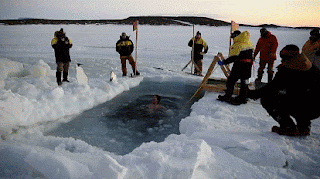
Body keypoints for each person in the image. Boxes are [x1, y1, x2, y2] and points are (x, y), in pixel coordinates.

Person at [249, 45, 320, 136]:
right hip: (315, 108)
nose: (282, 60)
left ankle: (288, 126)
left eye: (283, 57)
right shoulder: (308, 64)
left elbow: (272, 87)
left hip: (306, 106)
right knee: (297, 96)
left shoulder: (288, 69)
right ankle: (304, 127)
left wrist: (252, 94)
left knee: (268, 99)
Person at [217, 30, 254, 105]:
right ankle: (243, 98)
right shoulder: (248, 42)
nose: (233, 39)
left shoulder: (238, 44)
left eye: (233, 37)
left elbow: (233, 57)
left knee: (231, 81)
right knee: (244, 82)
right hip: (248, 65)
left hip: (240, 65)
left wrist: (224, 62)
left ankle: (228, 96)